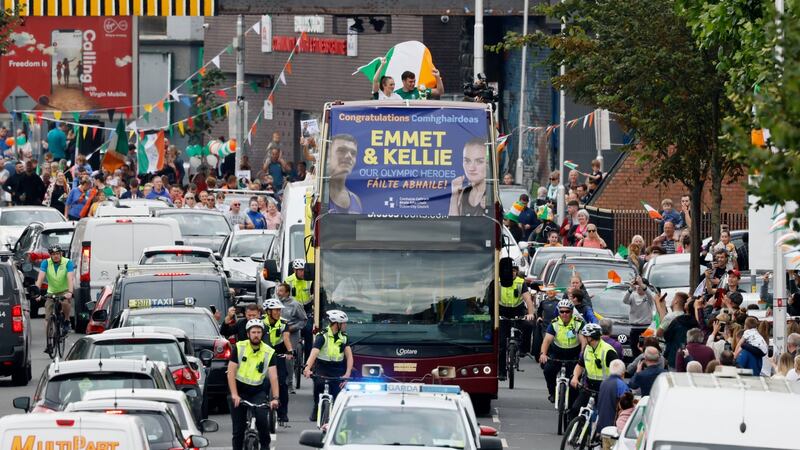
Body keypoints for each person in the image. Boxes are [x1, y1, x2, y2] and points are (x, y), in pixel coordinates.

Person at [227, 319, 280, 450]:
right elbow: (231, 372)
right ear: (248, 334)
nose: (256, 335)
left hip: (257, 391)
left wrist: (275, 398)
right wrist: (234, 394)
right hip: (239, 391)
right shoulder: (239, 347)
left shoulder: (269, 352)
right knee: (238, 430)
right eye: (253, 332)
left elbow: (273, 376)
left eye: (259, 332)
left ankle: (265, 446)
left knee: (263, 421)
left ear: (262, 334)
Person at [304, 310, 354, 421]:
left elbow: (349, 357)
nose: (345, 325)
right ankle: (317, 407)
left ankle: (337, 416)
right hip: (322, 367)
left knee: (337, 393)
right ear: (337, 324)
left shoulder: (344, 337)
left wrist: (347, 373)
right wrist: (307, 368)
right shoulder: (322, 336)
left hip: (337, 368)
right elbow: (314, 352)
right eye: (344, 323)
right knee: (319, 385)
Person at [540, 298, 586, 403]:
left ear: (571, 311)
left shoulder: (578, 323)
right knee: (548, 370)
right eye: (562, 311)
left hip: (573, 354)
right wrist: (543, 354)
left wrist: (582, 356)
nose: (564, 314)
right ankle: (552, 393)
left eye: (567, 311)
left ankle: (571, 403)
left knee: (574, 380)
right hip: (557, 352)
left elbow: (583, 342)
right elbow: (547, 340)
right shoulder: (554, 323)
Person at [570, 323, 618, 420]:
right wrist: (575, 377)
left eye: (585, 336)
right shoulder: (587, 348)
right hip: (589, 387)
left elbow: (619, 371)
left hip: (604, 389)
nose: (583, 337)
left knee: (602, 417)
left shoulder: (608, 351)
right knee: (575, 409)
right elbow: (580, 365)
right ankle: (574, 432)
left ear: (591, 337)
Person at [498, 261, 535, 379]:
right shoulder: (498, 282)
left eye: (514, 271)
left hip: (518, 311)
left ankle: (524, 349)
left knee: (529, 325)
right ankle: (502, 372)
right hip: (502, 312)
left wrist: (530, 314)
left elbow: (528, 300)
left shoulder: (520, 282)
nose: (511, 273)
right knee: (502, 344)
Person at [34, 245, 74, 352]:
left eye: (57, 254)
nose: (55, 256)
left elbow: (70, 278)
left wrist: (70, 292)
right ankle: (49, 342)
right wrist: (37, 292)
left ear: (61, 254)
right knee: (47, 318)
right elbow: (40, 278)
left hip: (64, 290)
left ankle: (66, 320)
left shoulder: (68, 262)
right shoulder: (46, 263)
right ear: (50, 255)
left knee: (65, 303)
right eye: (53, 254)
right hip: (51, 292)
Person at [261, 298, 294, 425]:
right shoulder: (260, 323)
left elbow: (286, 338)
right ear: (268, 311)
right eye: (275, 310)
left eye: (279, 310)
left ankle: (283, 414)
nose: (278, 312)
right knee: (262, 383)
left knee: (282, 384)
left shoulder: (284, 323)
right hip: (262, 355)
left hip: (277, 355)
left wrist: (290, 351)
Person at [274, 282, 307, 395]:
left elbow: (303, 320)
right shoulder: (274, 303)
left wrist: (292, 328)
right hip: (277, 332)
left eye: (281, 291)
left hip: (291, 333)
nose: (278, 293)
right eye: (278, 291)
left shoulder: (295, 304)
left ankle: (289, 384)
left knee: (288, 358)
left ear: (287, 293)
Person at [449, 138, 487, 216]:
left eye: (479, 161)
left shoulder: (492, 195)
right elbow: (453, 225)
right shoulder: (463, 192)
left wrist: (490, 210)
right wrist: (454, 195)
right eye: (467, 161)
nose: (471, 168)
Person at [286, 259, 314, 361]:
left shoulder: (310, 280)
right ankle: (290, 355)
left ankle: (307, 361)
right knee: (288, 331)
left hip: (306, 309)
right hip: (293, 310)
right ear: (294, 270)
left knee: (308, 332)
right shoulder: (288, 280)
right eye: (300, 270)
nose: (303, 272)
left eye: (304, 270)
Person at [327, 134, 362, 214]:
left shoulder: (356, 200)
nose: (349, 156)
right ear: (328, 155)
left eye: (353, 153)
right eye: (341, 151)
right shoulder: (320, 194)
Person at [623, 276, 655, 357]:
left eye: (640, 285)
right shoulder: (633, 295)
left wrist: (642, 284)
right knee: (635, 352)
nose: (638, 287)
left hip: (646, 328)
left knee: (646, 352)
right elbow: (625, 300)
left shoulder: (648, 296)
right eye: (637, 285)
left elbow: (652, 295)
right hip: (634, 328)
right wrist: (630, 288)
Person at [596, 360, 630, 434]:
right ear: (623, 373)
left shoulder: (603, 382)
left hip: (601, 425)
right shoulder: (621, 385)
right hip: (613, 428)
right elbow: (627, 408)